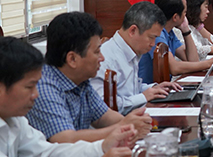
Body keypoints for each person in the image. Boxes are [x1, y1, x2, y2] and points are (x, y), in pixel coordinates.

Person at [0, 37, 136, 157]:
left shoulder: (14, 118)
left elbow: (46, 153)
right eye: (29, 87)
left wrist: (102, 148)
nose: (36, 94)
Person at [26, 12, 152, 143]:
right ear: (72, 59)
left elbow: (103, 117)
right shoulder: (44, 87)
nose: (102, 58)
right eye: (97, 52)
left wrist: (134, 123)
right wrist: (123, 127)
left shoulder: (80, 80)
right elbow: (64, 139)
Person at [90, 1, 183, 115]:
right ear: (133, 31)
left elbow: (130, 90)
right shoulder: (104, 59)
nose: (153, 44)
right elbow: (104, 107)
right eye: (151, 37)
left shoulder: (131, 50)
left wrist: (153, 89)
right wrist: (143, 97)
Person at [138, 0, 213, 84]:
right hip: (148, 92)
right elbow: (174, 68)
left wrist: (186, 31)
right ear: (175, 17)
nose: (186, 16)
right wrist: (209, 63)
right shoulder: (156, 34)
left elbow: (193, 61)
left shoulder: (170, 32)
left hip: (162, 89)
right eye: (184, 12)